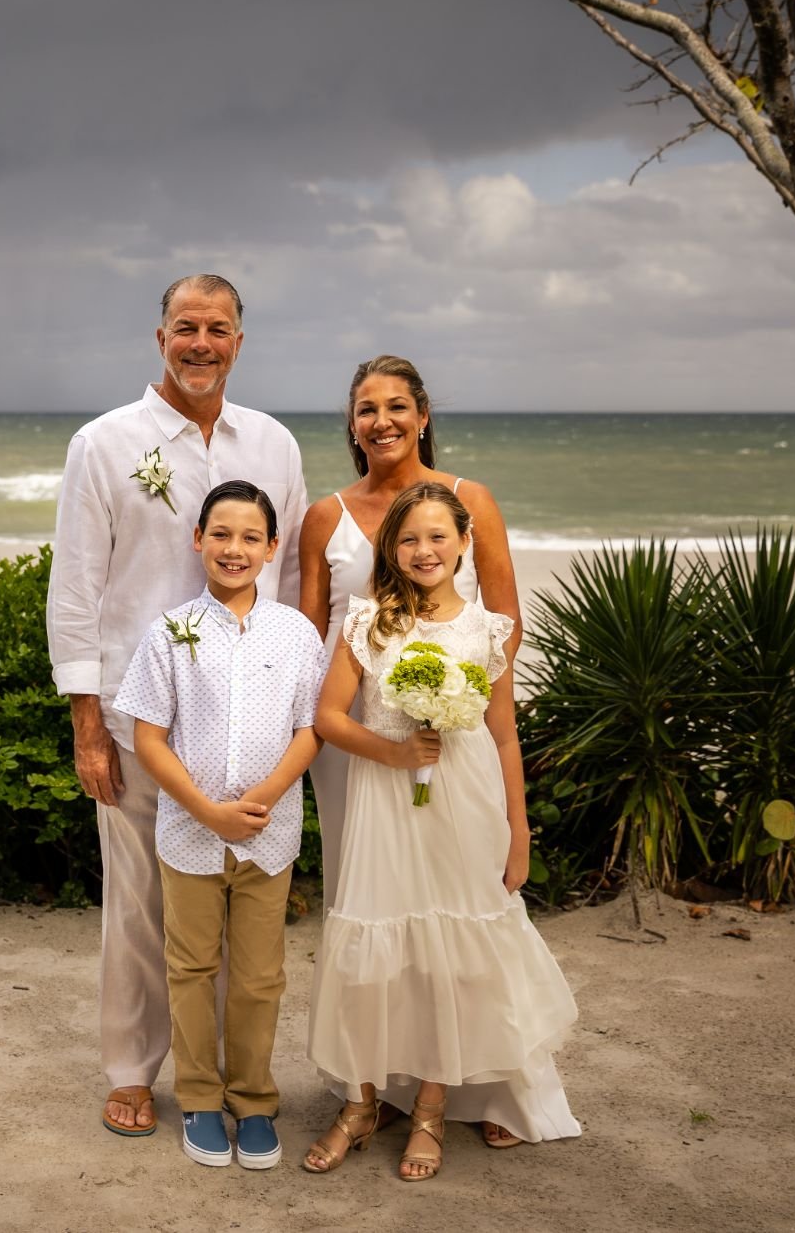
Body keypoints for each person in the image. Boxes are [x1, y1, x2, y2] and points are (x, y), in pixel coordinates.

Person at [46, 275, 308, 1140]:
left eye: (218, 328)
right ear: (160, 337)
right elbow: (76, 588)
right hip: (141, 725)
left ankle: (225, 1077)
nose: (202, 342)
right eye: (186, 326)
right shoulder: (103, 443)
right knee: (139, 906)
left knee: (235, 915)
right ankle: (131, 1069)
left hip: (251, 726)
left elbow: (291, 581)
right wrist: (87, 723)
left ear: (240, 342)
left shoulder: (272, 443)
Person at [303, 481, 580, 1180]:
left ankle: (430, 1108)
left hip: (466, 802)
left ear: (464, 542)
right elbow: (329, 717)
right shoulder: (369, 621)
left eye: (437, 536)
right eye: (409, 539)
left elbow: (504, 735)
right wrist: (393, 751)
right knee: (372, 948)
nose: (424, 550)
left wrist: (519, 829)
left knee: (450, 955)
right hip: (385, 800)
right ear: (391, 549)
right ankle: (360, 1103)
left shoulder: (488, 629)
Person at [111, 481, 323, 1169]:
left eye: (250, 536)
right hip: (188, 834)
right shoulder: (169, 632)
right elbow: (148, 738)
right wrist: (206, 810)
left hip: (269, 834)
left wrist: (263, 798)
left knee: (260, 976)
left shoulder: (297, 634)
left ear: (272, 546)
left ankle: (254, 1099)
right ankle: (200, 1096)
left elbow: (310, 728)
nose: (235, 548)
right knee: (191, 967)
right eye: (222, 534)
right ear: (198, 539)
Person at [298, 356, 522, 901]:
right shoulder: (325, 517)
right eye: (366, 410)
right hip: (351, 722)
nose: (382, 421)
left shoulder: (470, 502)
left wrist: (450, 696)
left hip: (449, 721)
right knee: (360, 878)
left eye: (396, 406)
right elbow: (307, 638)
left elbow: (506, 627)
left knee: (451, 875)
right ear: (353, 425)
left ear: (422, 416)